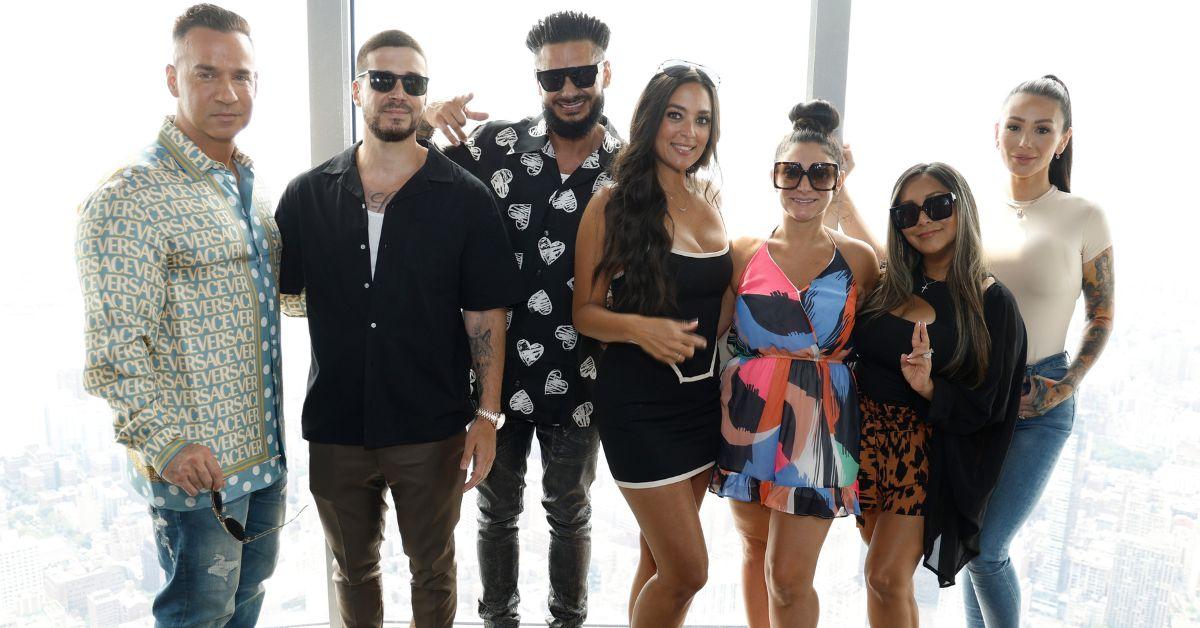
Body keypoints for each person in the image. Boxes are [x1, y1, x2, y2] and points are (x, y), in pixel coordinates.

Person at [274, 29, 521, 627]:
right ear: (358, 89)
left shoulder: (466, 199)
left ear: (422, 97)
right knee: (351, 570)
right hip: (337, 425)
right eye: (383, 80)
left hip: (429, 428)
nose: (398, 93)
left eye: (413, 84)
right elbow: (279, 295)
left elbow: (485, 316)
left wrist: (486, 417)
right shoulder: (307, 195)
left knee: (432, 570)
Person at [75, 5, 288, 626]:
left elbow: (285, 295)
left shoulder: (247, 186)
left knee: (245, 607)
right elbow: (114, 352)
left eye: (242, 76)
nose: (228, 92)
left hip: (265, 457)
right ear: (173, 79)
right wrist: (166, 445)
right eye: (206, 74)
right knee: (198, 616)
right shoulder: (131, 195)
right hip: (196, 473)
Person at [422, 12, 621, 628]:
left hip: (583, 374)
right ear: (537, 81)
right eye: (553, 77)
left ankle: (568, 621)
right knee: (495, 511)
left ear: (605, 72)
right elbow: (410, 174)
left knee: (569, 511)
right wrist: (430, 120)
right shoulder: (494, 147)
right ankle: (496, 621)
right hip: (494, 377)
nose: (568, 88)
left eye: (582, 73)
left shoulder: (633, 167)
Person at [710, 100, 879, 628]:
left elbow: (894, 312)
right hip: (749, 413)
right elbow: (713, 330)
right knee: (754, 551)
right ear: (774, 177)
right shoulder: (743, 250)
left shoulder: (858, 259)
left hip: (822, 423)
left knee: (787, 577)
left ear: (836, 179)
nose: (804, 185)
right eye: (791, 171)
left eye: (820, 172)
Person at [573, 60, 729, 628]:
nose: (689, 132)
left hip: (700, 405)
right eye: (676, 116)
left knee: (657, 557)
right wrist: (643, 327)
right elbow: (584, 313)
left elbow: (719, 296)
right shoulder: (611, 203)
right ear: (650, 121)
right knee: (689, 571)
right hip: (639, 408)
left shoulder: (710, 199)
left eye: (703, 120)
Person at [962, 75, 1115, 628]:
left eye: (1042, 129)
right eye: (1015, 126)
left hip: (1040, 400)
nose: (1025, 142)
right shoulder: (972, 213)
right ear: (996, 133)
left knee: (986, 545)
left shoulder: (1083, 216)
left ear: (1063, 139)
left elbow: (1101, 312)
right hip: (974, 395)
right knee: (967, 545)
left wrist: (1064, 385)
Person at [853, 163, 1027, 626]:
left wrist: (930, 387)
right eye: (907, 213)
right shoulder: (892, 281)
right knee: (888, 581)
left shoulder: (991, 301)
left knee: (884, 578)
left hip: (925, 452)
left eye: (937, 205)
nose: (923, 220)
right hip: (866, 443)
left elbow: (990, 405)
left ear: (962, 206)